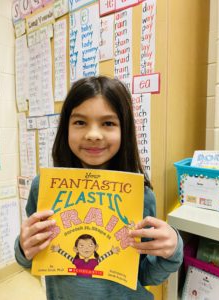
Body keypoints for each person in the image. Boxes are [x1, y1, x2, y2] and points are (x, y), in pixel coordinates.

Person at [15, 76, 183, 300]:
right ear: (66, 128)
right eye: (80, 122)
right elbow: (34, 255)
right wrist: (24, 248)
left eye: (108, 123)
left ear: (125, 130)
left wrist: (172, 250)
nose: (93, 134)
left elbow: (144, 275)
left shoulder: (141, 196)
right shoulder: (43, 188)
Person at [51, 234, 120, 278]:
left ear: (95, 247)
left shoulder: (94, 262)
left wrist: (112, 251)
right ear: (76, 249)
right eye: (81, 245)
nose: (86, 248)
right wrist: (58, 250)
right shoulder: (77, 261)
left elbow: (104, 257)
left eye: (90, 245)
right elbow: (67, 256)